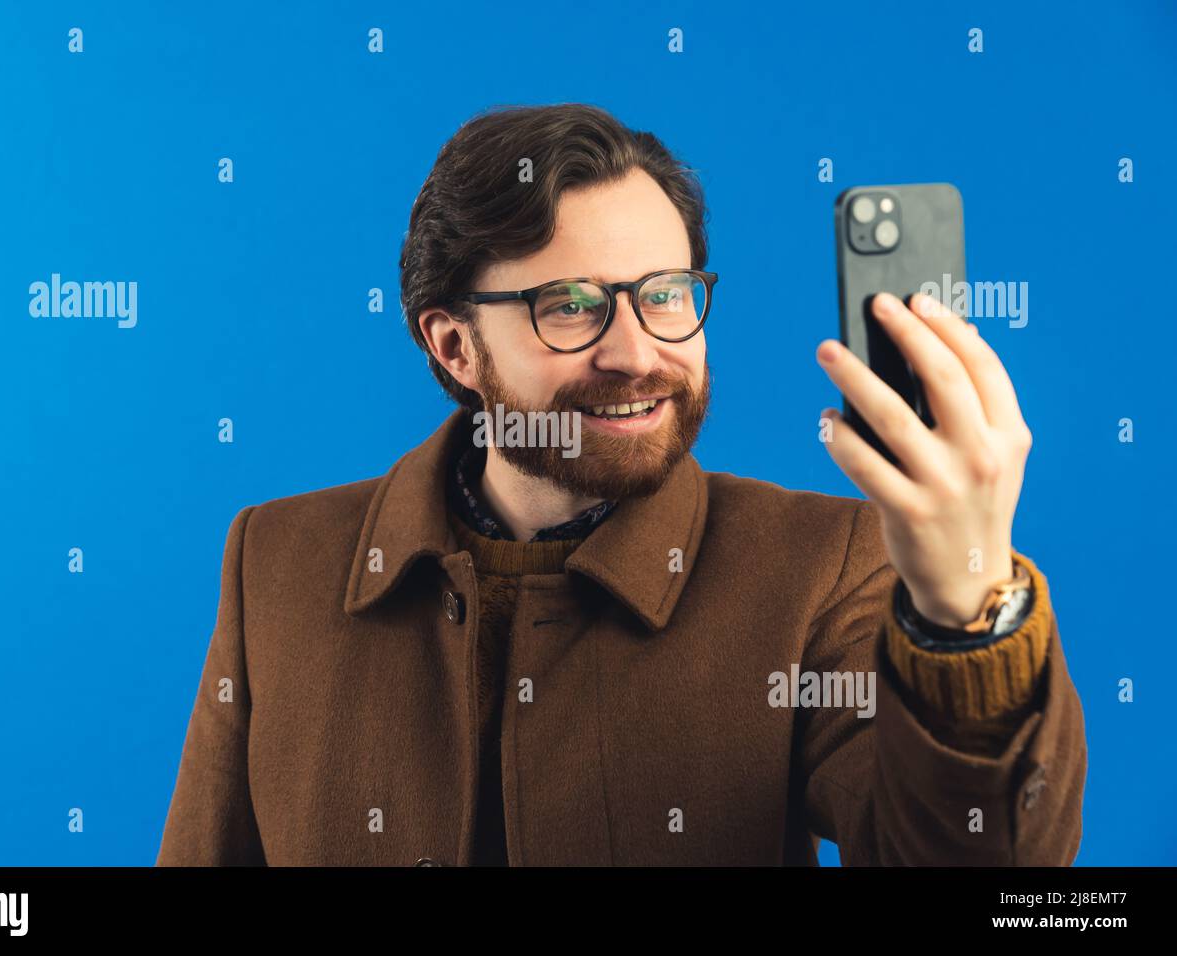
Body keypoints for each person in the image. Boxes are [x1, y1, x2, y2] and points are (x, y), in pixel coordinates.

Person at [157, 103, 1086, 866]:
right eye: (571, 306)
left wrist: (968, 608)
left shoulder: (825, 567)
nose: (639, 353)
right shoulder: (276, 559)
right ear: (451, 345)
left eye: (667, 294)